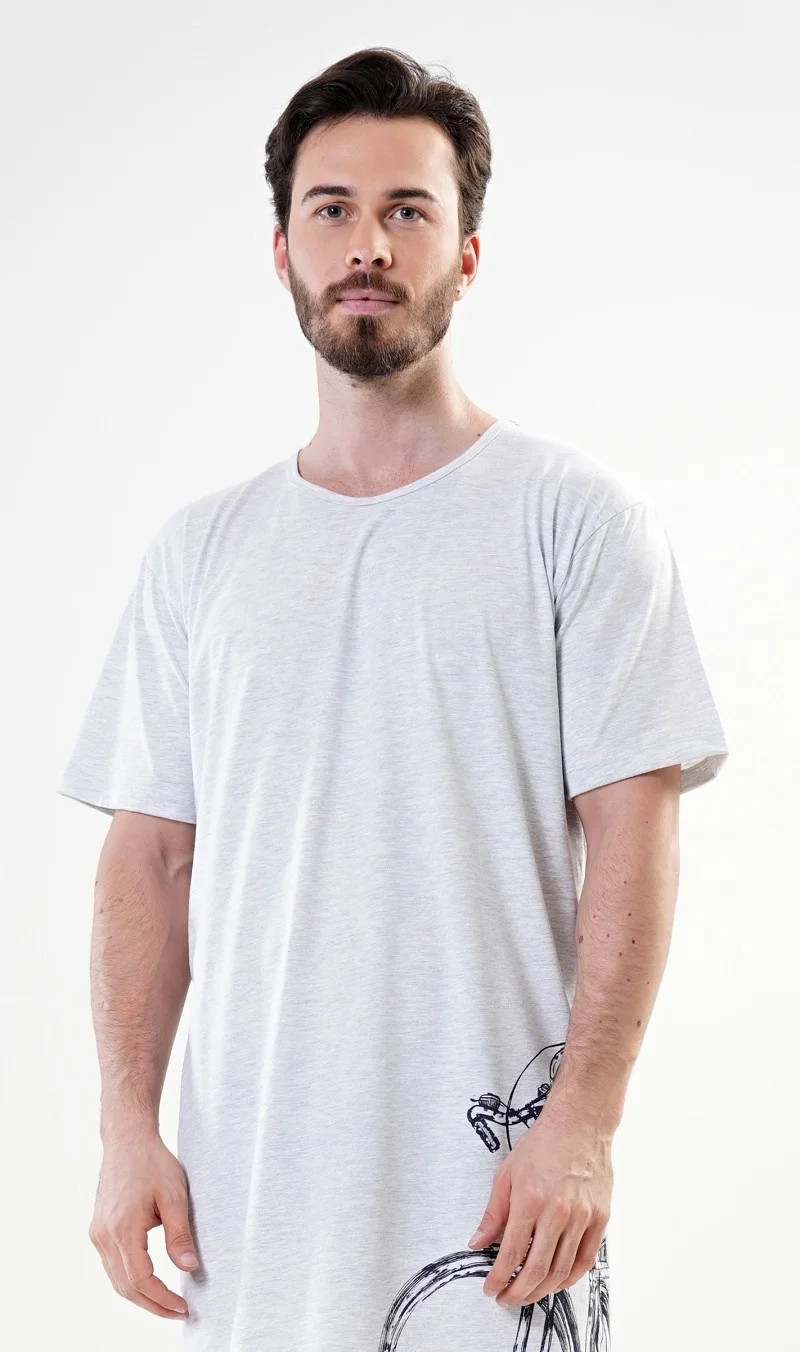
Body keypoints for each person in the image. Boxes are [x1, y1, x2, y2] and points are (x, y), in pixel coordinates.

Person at [56, 45, 729, 1352]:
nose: (367, 244)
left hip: (497, 1202)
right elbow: (149, 857)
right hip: (251, 1201)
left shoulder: (577, 522)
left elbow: (635, 832)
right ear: (282, 252)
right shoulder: (202, 554)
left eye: (407, 210)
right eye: (333, 209)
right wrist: (126, 1126)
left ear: (467, 255)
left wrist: (585, 1125)